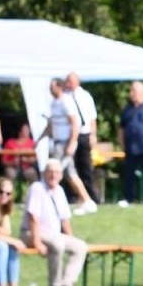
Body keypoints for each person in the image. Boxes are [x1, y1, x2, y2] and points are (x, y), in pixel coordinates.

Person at [22, 159, 89, 286]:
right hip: (31, 233)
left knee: (80, 246)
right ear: (44, 173)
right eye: (50, 172)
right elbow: (33, 217)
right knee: (57, 244)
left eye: (57, 172)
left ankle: (68, 282)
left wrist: (71, 239)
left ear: (61, 175)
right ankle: (54, 284)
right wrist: (37, 242)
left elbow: (65, 220)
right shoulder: (37, 188)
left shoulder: (60, 191)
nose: (53, 175)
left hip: (53, 235)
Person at [47, 78, 94, 211]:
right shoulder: (53, 103)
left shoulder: (66, 102)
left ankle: (86, 200)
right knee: (67, 173)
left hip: (64, 142)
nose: (50, 89)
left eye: (52, 86)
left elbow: (75, 124)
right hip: (57, 142)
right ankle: (86, 200)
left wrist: (72, 143)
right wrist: (41, 139)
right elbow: (51, 124)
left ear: (59, 87)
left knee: (55, 171)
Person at [62, 72, 100, 210]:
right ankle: (72, 196)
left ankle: (92, 196)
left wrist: (93, 134)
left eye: (72, 81)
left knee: (85, 167)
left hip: (84, 133)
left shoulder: (85, 96)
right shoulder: (64, 96)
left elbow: (92, 116)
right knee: (70, 166)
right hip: (70, 134)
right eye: (68, 81)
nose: (69, 84)